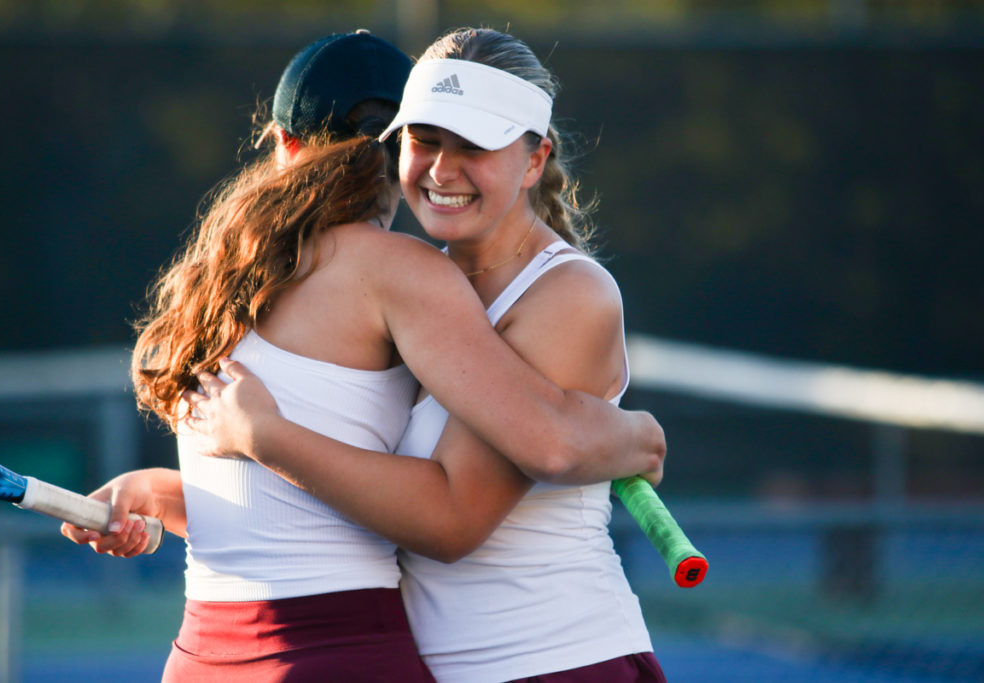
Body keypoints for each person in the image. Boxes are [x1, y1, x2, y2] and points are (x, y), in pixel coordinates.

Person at [61, 29, 665, 682]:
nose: (441, 169)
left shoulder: (565, 290)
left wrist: (642, 436)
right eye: (424, 140)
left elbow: (492, 487)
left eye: (473, 147)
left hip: (556, 661)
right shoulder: (418, 290)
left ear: (533, 159)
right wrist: (170, 491)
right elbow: (346, 503)